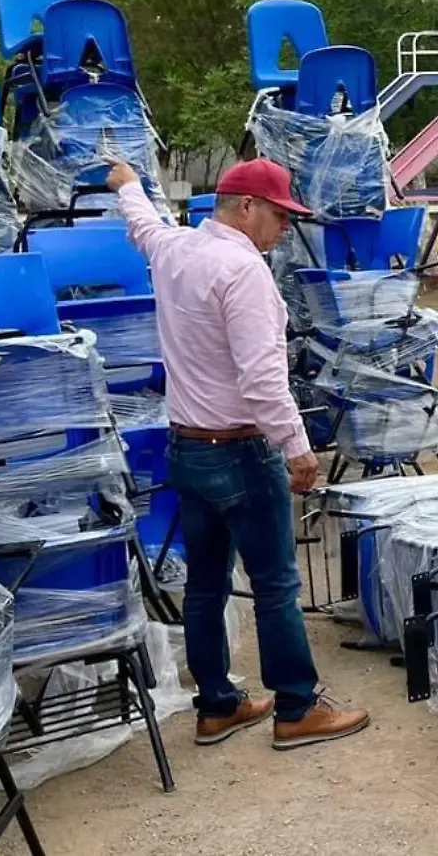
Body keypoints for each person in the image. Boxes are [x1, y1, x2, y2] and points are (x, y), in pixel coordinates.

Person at [108, 158, 371, 750]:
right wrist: (298, 447)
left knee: (205, 583)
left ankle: (217, 705)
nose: (285, 229)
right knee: (276, 582)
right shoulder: (242, 270)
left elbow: (143, 225)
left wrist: (127, 185)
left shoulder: (177, 249)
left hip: (188, 444)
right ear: (247, 207)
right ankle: (297, 708)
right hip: (241, 448)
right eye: (280, 216)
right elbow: (261, 379)